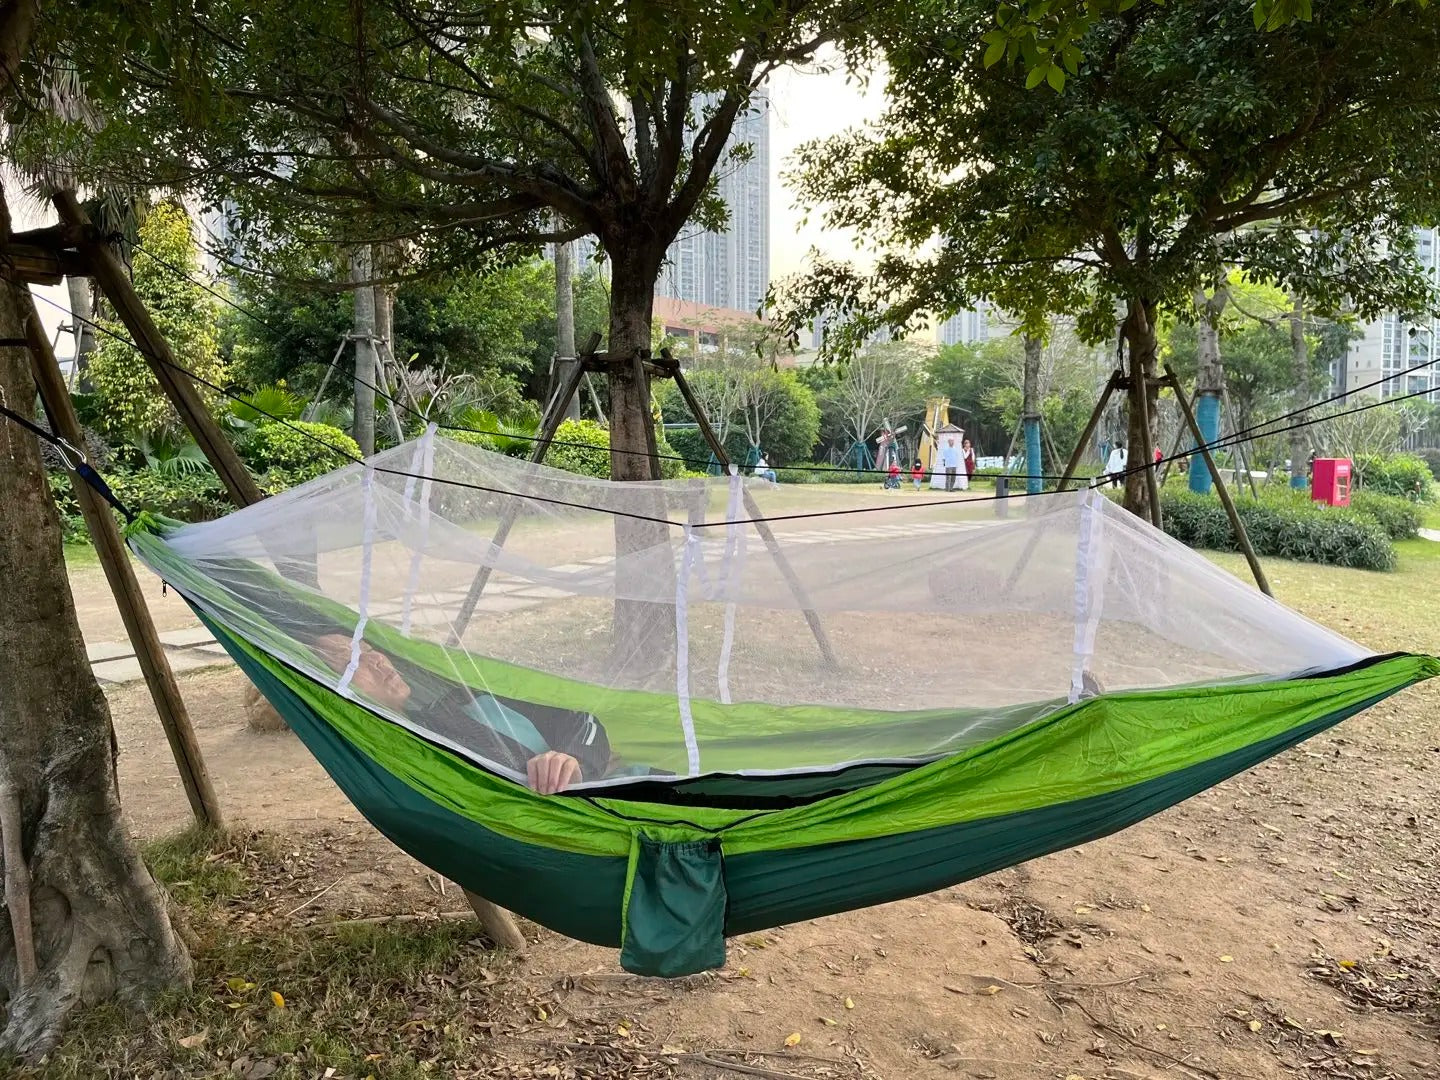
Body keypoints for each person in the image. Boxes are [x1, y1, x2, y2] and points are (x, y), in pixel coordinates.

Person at [307, 633, 636, 794]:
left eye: (366, 649)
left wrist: (573, 759)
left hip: (624, 789)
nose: (376, 660)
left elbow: (580, 719)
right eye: (351, 663)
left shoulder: (470, 702)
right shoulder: (388, 768)